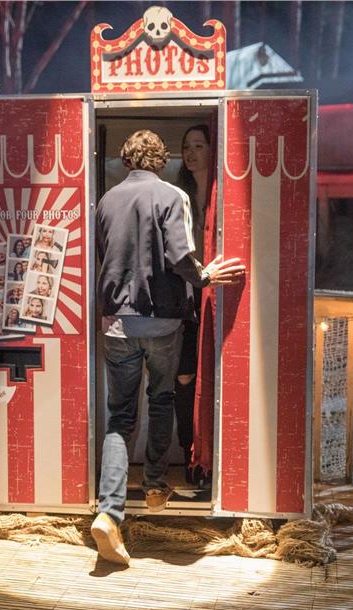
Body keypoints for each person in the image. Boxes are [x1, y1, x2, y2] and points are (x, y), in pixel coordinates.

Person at [90, 129, 245, 566]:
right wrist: (206, 276)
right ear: (161, 159)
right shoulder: (172, 196)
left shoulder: (106, 201)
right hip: (161, 321)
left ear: (126, 159)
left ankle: (108, 512)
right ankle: (155, 486)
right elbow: (180, 257)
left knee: (120, 418)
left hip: (116, 323)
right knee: (160, 399)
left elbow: (105, 256)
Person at [174, 124, 212, 484]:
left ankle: (212, 459)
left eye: (199, 146)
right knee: (184, 376)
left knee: (215, 375)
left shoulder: (221, 195)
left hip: (216, 294)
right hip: (185, 296)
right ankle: (190, 454)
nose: (191, 152)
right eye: (187, 146)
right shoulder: (178, 196)